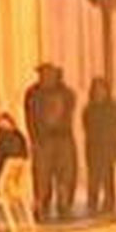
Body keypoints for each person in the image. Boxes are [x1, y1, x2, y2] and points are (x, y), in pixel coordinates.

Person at [24, 64, 77, 222]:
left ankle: (64, 205)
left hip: (62, 139)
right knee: (41, 177)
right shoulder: (33, 93)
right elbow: (29, 116)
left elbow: (69, 108)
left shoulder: (65, 93)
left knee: (64, 175)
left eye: (49, 74)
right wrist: (34, 137)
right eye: (42, 74)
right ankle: (41, 207)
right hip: (42, 140)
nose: (44, 77)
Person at [82, 78, 116, 216]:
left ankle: (109, 202)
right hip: (93, 147)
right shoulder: (89, 109)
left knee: (108, 176)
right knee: (93, 176)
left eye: (101, 90)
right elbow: (86, 126)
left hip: (108, 147)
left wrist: (114, 134)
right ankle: (92, 202)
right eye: (96, 90)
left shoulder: (113, 108)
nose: (99, 93)